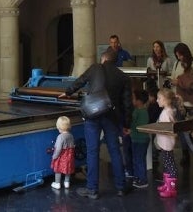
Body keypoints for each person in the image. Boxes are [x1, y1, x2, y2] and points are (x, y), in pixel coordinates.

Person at [59, 49, 133, 199]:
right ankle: (120, 187)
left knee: (92, 151)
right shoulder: (123, 77)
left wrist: (67, 92)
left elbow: (80, 81)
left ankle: (92, 189)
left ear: (103, 58)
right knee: (114, 151)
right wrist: (126, 124)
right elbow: (127, 104)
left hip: (92, 114)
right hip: (112, 117)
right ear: (115, 60)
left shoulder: (95, 68)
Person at [168, 42, 193, 165]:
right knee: (181, 128)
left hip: (191, 101)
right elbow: (173, 78)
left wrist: (179, 82)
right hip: (179, 100)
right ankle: (185, 152)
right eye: (177, 55)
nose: (179, 58)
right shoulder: (176, 64)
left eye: (180, 55)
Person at [155, 88, 179, 198]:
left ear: (166, 100)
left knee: (170, 165)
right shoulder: (167, 111)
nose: (157, 100)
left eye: (159, 98)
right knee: (166, 163)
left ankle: (171, 188)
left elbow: (171, 129)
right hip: (164, 143)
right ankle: (167, 184)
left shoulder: (167, 112)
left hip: (167, 143)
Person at [130, 89, 150, 188]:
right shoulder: (144, 111)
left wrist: (129, 130)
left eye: (133, 98)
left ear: (139, 101)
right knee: (139, 159)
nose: (131, 100)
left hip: (138, 139)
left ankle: (142, 179)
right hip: (142, 139)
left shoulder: (137, 112)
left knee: (138, 159)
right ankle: (138, 177)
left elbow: (133, 124)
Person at [50, 115, 76, 190]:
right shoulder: (71, 135)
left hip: (61, 157)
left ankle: (57, 183)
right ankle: (67, 182)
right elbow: (72, 145)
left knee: (58, 170)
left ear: (59, 127)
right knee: (68, 169)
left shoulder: (60, 137)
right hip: (69, 157)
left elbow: (58, 149)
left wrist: (54, 156)